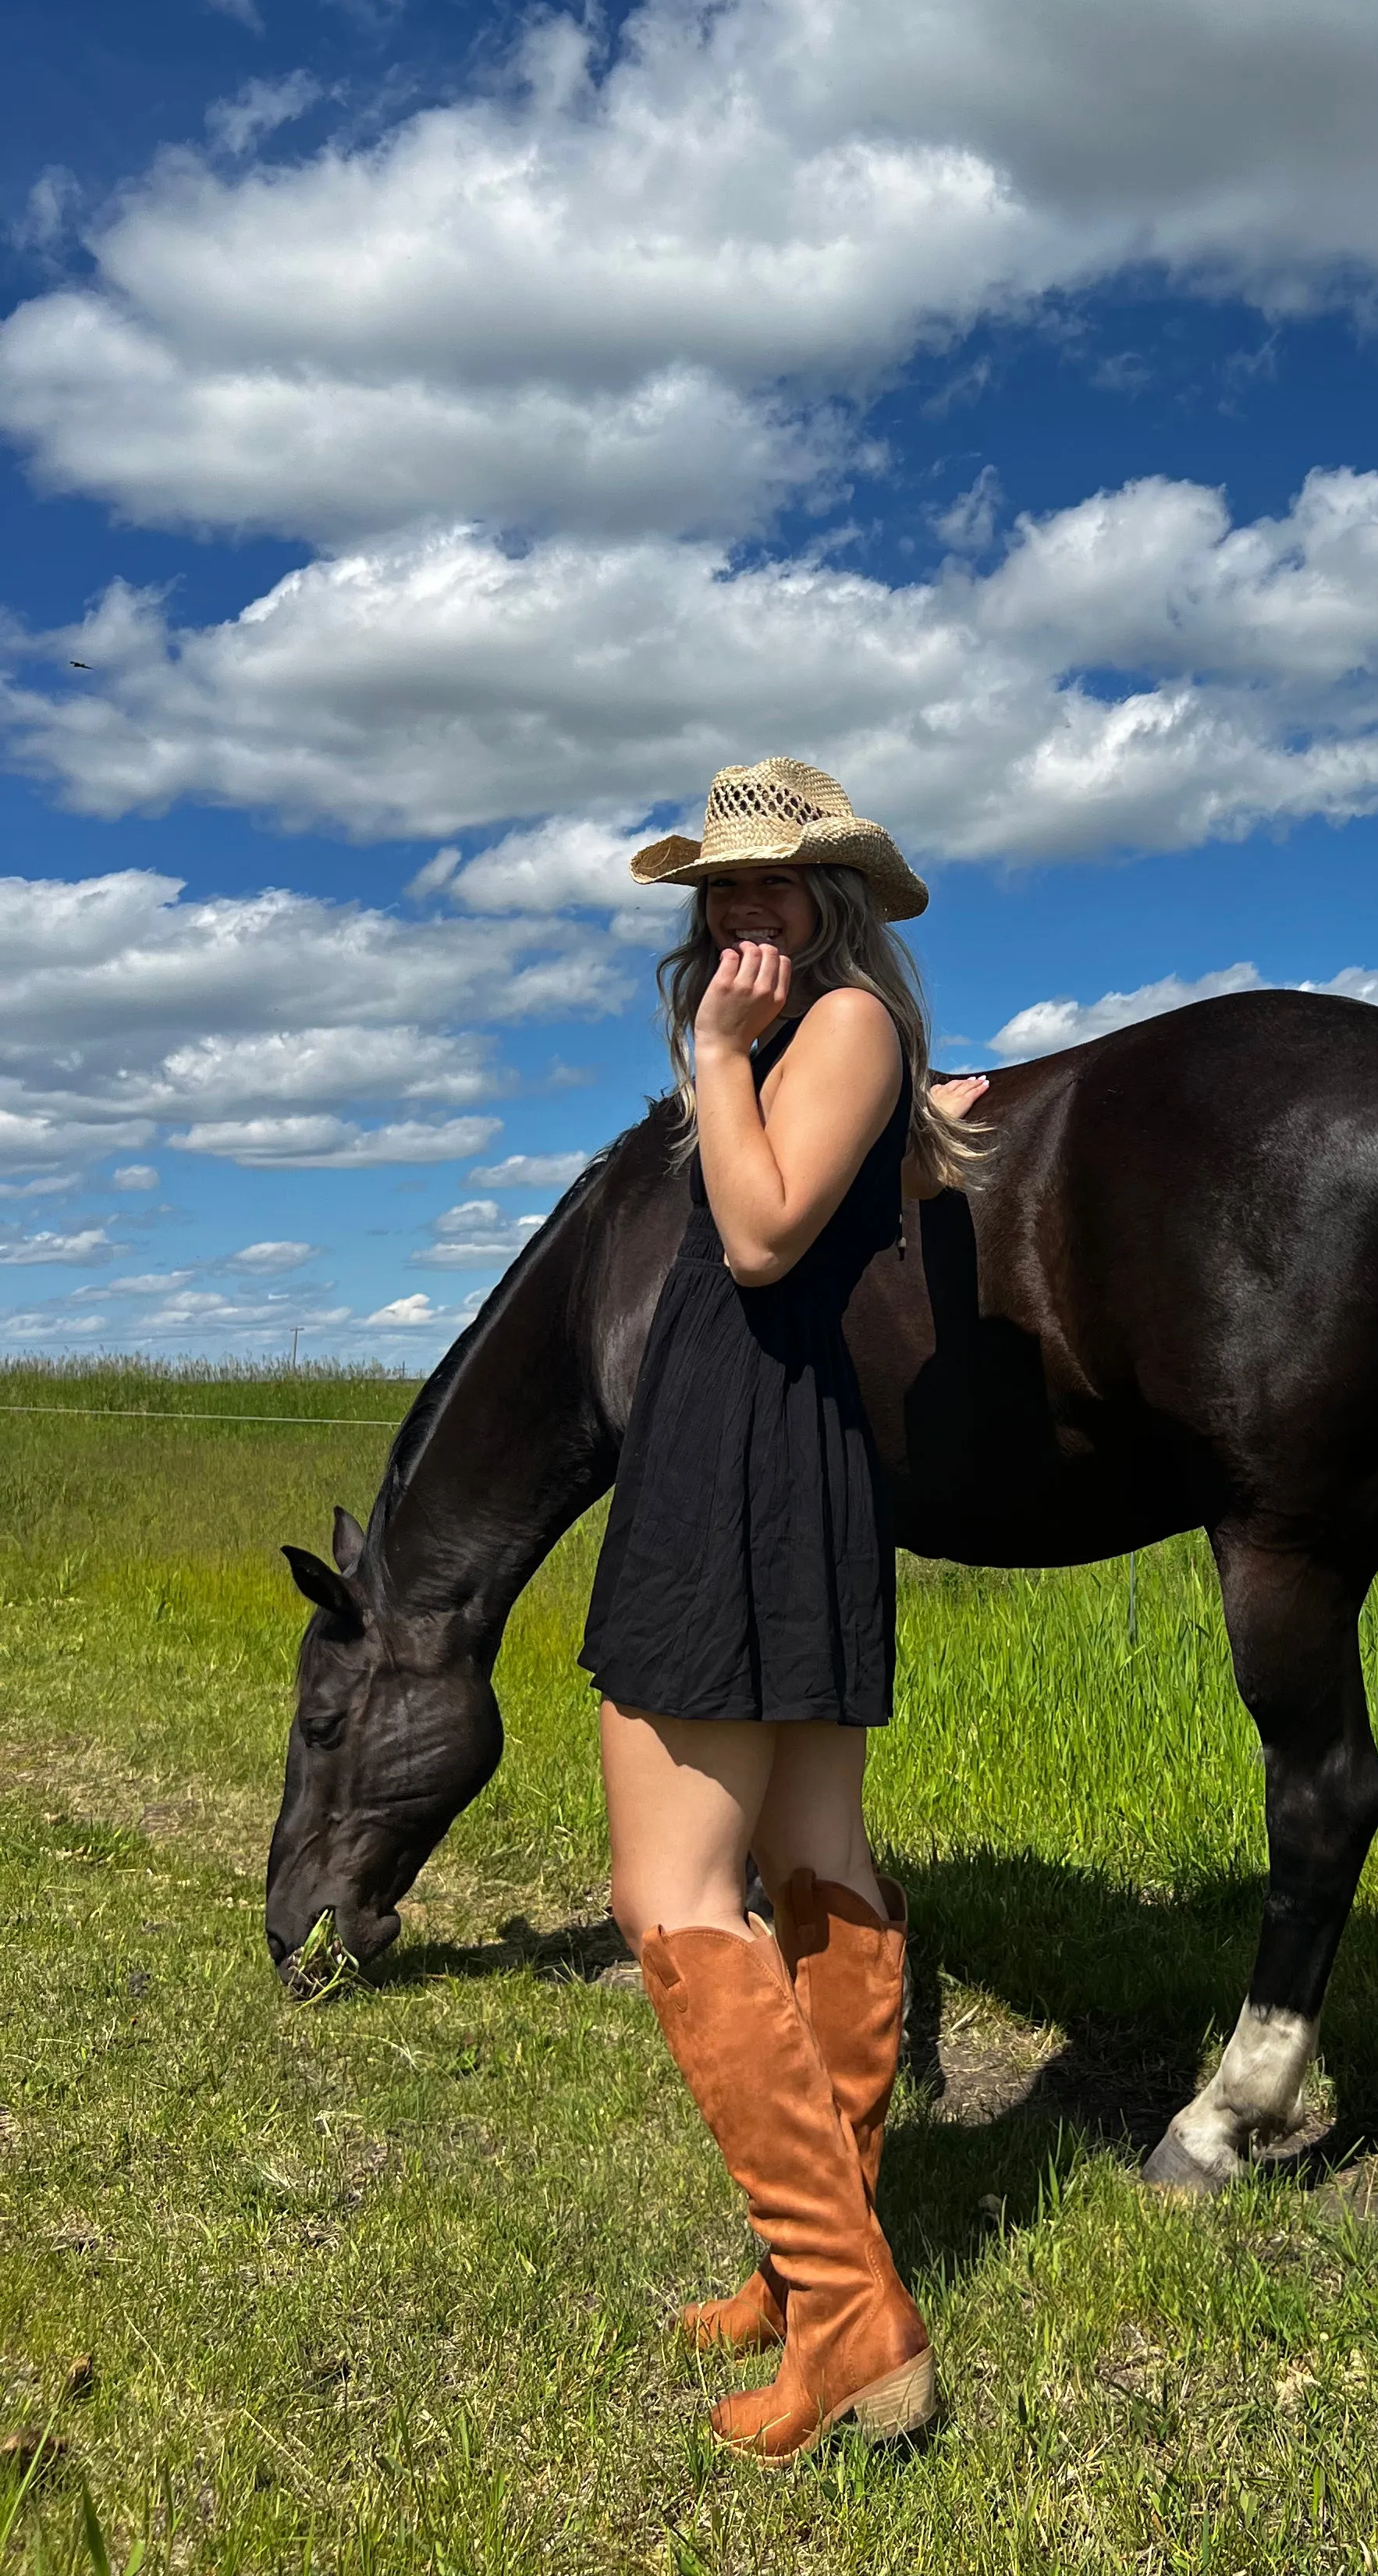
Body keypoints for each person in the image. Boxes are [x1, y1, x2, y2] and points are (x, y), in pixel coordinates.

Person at [579, 755, 986, 2463]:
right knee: (819, 1873)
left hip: (739, 1457)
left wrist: (715, 1055)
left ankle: (851, 2319)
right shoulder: (812, 1039)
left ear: (835, 908)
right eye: (721, 892)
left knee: (673, 1894)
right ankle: (814, 2265)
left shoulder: (836, 1033)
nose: (744, 912)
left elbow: (757, 1240)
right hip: (789, 1453)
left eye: (777, 886)